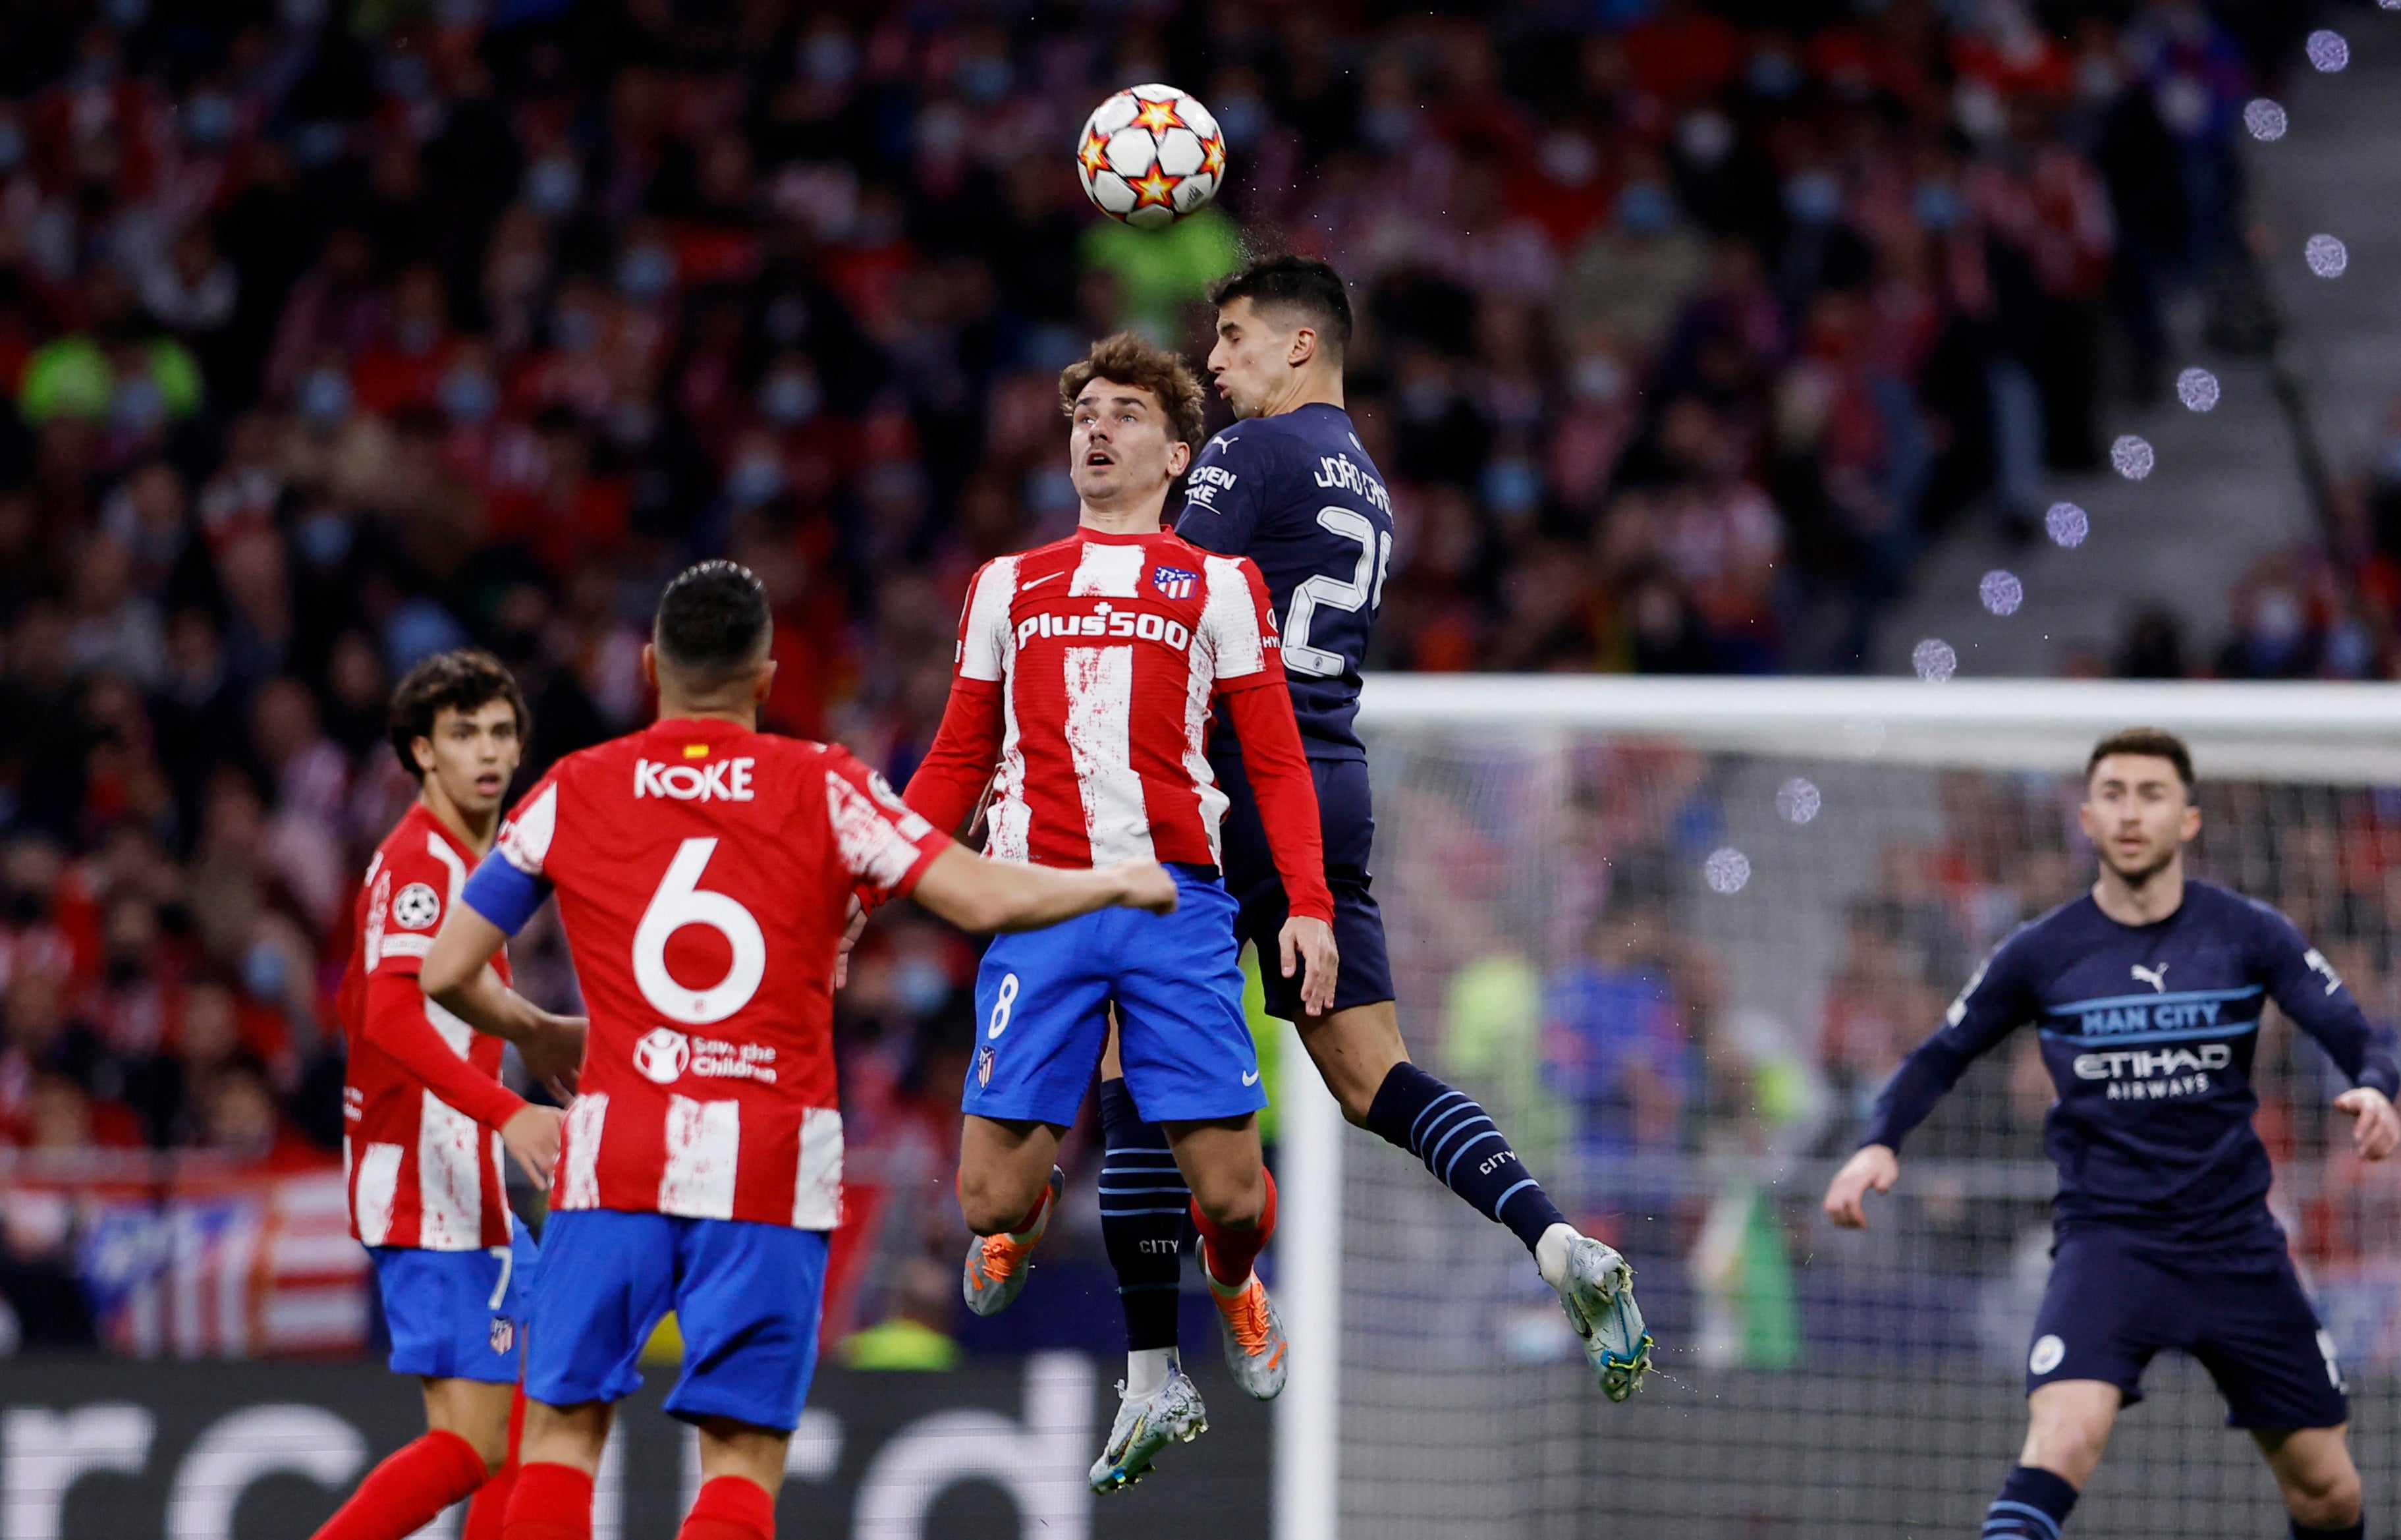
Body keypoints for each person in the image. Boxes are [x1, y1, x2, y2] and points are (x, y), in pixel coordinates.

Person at [418, 560, 1176, 1540]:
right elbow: (983, 894)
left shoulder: (574, 787)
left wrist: (538, 1028)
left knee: (562, 1436)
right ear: (767, 678)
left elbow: (445, 969)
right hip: (769, 1158)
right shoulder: (825, 784)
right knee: (738, 1459)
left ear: (650, 667)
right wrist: (1116, 881)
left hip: (618, 1149)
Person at [1084, 254, 1651, 1488]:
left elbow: (1166, 606)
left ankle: (1150, 1371)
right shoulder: (1368, 479)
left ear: (1298, 347)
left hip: (1223, 779)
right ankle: (1550, 1236)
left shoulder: (1245, 455)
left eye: (1232, 339)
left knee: (1126, 1048)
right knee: (1368, 1071)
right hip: (1329, 785)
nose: (1214, 364)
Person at [902, 331, 1338, 1486]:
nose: (1097, 428)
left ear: (1177, 451)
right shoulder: (1009, 582)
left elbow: (1277, 762)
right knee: (988, 1194)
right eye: (1086, 412)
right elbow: (957, 754)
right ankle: (1026, 1204)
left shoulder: (1219, 584)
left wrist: (1306, 899)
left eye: (1126, 414)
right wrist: (878, 871)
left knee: (1235, 1198)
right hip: (1037, 900)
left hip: (1173, 904)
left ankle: (1236, 1285)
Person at [1822, 727, 2401, 1540]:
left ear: (2189, 819)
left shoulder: (2249, 932)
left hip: (2236, 1246)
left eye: (2153, 794)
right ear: (2088, 819)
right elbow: (1939, 1054)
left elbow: (2356, 1031)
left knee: (2329, 1493)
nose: (2132, 813)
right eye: (2114, 795)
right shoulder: (2042, 951)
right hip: (2109, 1245)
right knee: (2062, 1438)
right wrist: (1880, 1139)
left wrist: (2376, 1088)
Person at [312, 651, 576, 1540]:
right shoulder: (424, 863)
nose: (488, 751)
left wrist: (534, 1028)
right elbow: (388, 1011)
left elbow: (444, 994)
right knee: (473, 1444)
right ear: (422, 752)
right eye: (463, 734)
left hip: (462, 1180)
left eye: (501, 730)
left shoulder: (473, 856)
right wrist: (509, 1109)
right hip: (429, 1183)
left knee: (530, 1423)